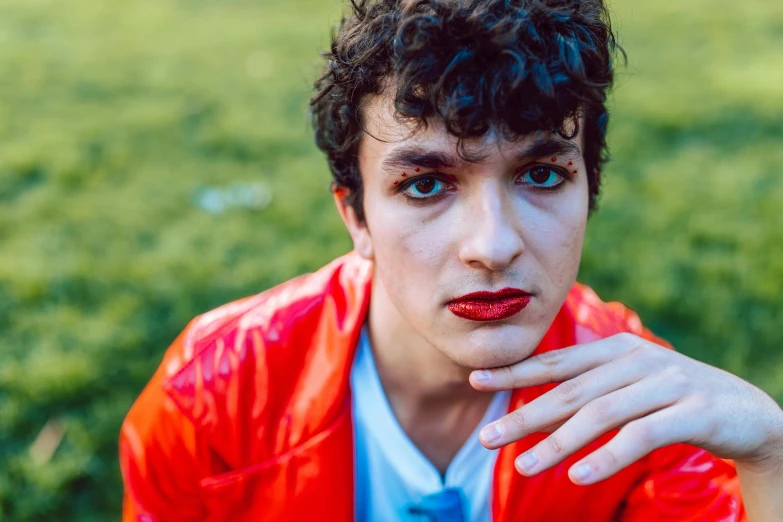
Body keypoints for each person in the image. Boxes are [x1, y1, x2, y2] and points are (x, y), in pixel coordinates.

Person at [119, 0, 783, 520]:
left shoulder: (643, 411)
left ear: (589, 190)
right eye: (425, 185)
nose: (491, 247)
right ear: (354, 215)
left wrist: (771, 457)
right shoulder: (213, 392)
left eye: (543, 176)